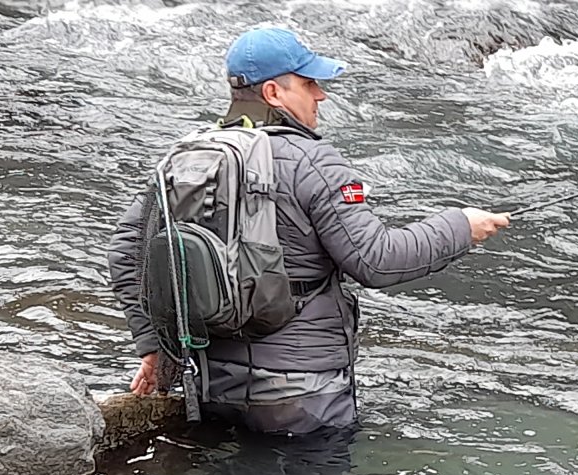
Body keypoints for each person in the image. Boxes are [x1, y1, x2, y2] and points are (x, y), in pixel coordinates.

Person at [107, 26, 510, 436]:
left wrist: (153, 346)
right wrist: (460, 227)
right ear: (273, 93)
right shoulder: (312, 161)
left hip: (213, 388)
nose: (321, 95)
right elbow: (376, 260)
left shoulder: (186, 159)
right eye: (308, 83)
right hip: (303, 401)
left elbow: (125, 250)